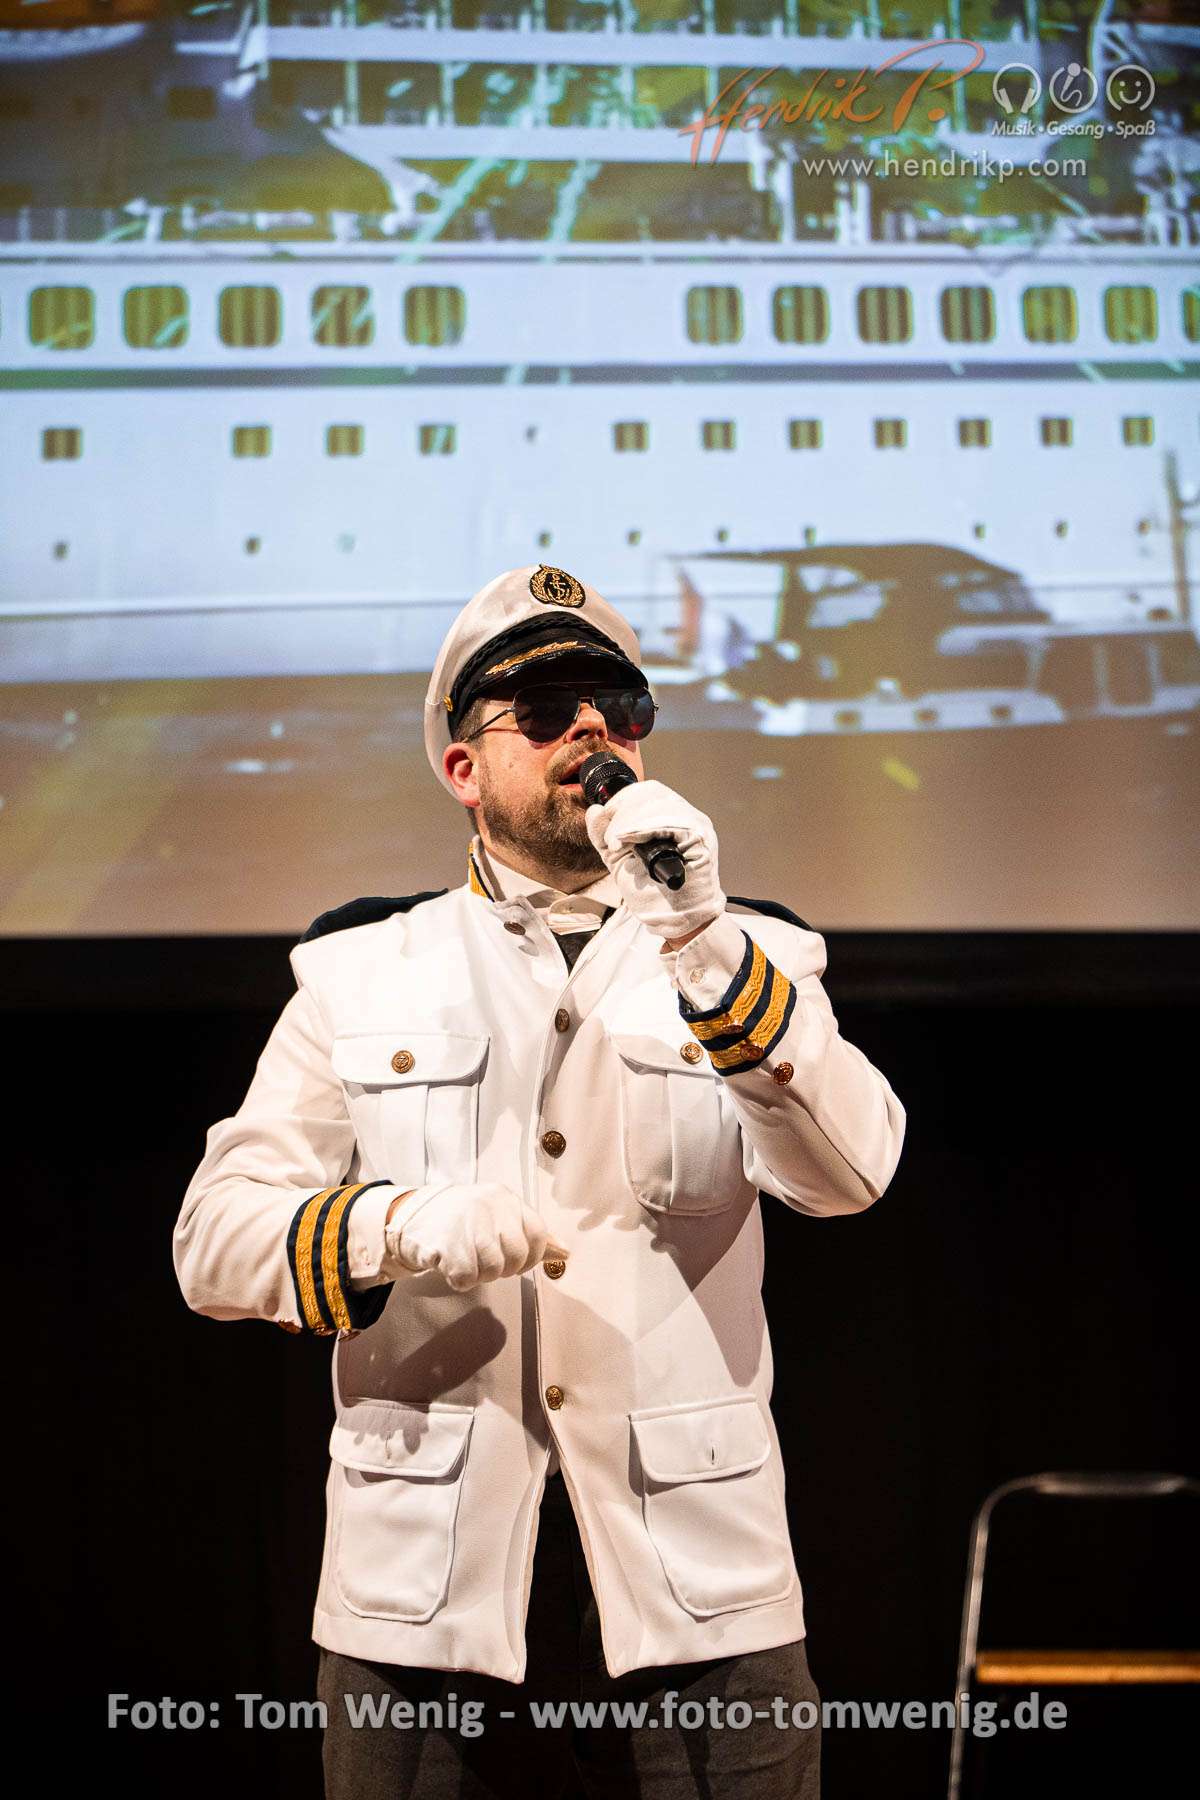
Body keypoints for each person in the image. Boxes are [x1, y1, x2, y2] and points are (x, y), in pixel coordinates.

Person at [174, 563, 907, 1799]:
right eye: (550, 710)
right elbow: (214, 1242)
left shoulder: (754, 953)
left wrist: (702, 937)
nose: (594, 734)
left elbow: (852, 1173)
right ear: (464, 767)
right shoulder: (360, 968)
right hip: (424, 1598)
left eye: (621, 709)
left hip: (699, 1586)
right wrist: (391, 1225)